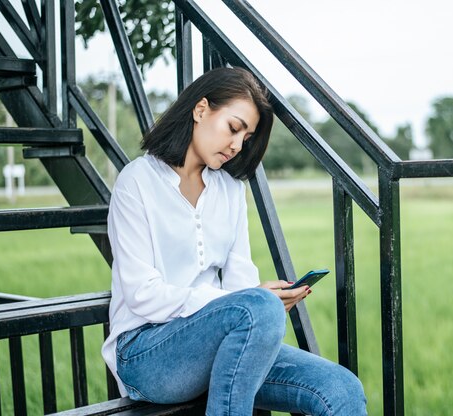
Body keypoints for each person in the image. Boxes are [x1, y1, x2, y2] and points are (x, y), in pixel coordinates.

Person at [101, 67, 367, 415]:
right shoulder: (137, 181)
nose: (237, 145)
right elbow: (141, 294)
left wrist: (260, 299)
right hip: (147, 352)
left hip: (223, 346)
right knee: (258, 306)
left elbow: (241, 283)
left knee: (341, 389)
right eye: (234, 128)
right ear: (200, 110)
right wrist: (247, 303)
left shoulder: (229, 191)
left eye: (246, 136)